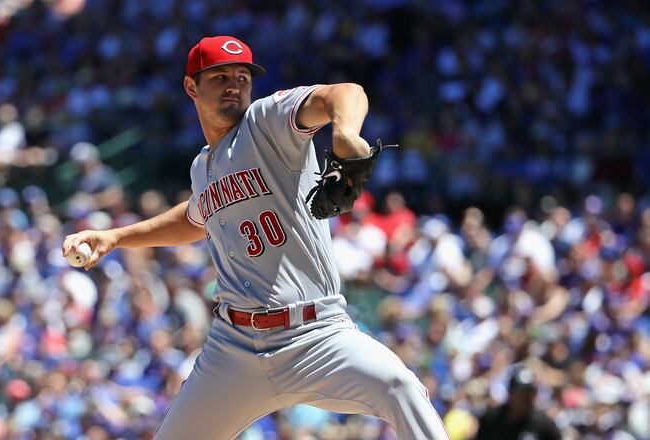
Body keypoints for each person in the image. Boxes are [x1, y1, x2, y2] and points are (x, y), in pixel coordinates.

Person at [63, 35, 449, 439]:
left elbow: (346, 93)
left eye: (243, 76)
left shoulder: (268, 122)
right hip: (233, 350)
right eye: (220, 76)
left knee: (400, 388)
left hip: (315, 335)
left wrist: (346, 132)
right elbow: (196, 217)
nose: (235, 84)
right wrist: (116, 237)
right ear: (191, 86)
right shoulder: (202, 167)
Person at [474, 366, 562, 440]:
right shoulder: (491, 419)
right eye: (520, 395)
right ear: (511, 395)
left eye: (529, 394)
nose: (525, 400)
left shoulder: (543, 424)